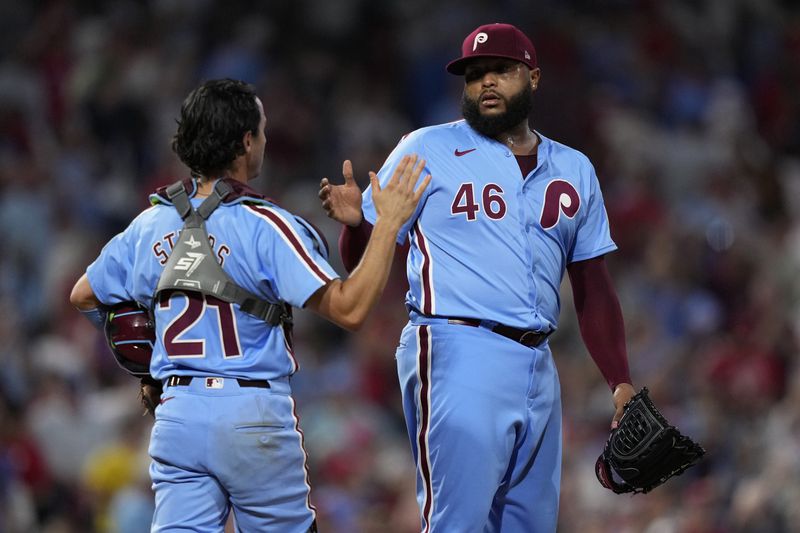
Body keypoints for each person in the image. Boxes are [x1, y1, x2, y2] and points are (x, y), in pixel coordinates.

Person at [70, 78, 430, 532]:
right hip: (250, 414)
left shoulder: (148, 224)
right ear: (245, 141)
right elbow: (351, 310)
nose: (266, 138)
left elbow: (84, 294)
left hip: (177, 413)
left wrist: (149, 367)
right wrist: (387, 224)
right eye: (261, 129)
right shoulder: (266, 223)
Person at [318, 23, 636, 532]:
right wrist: (358, 226)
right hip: (455, 346)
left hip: (538, 363)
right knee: (457, 524)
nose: (486, 82)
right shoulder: (426, 148)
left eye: (501, 71)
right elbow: (365, 259)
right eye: (474, 74)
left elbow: (593, 285)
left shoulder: (574, 169)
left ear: (532, 77)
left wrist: (619, 381)